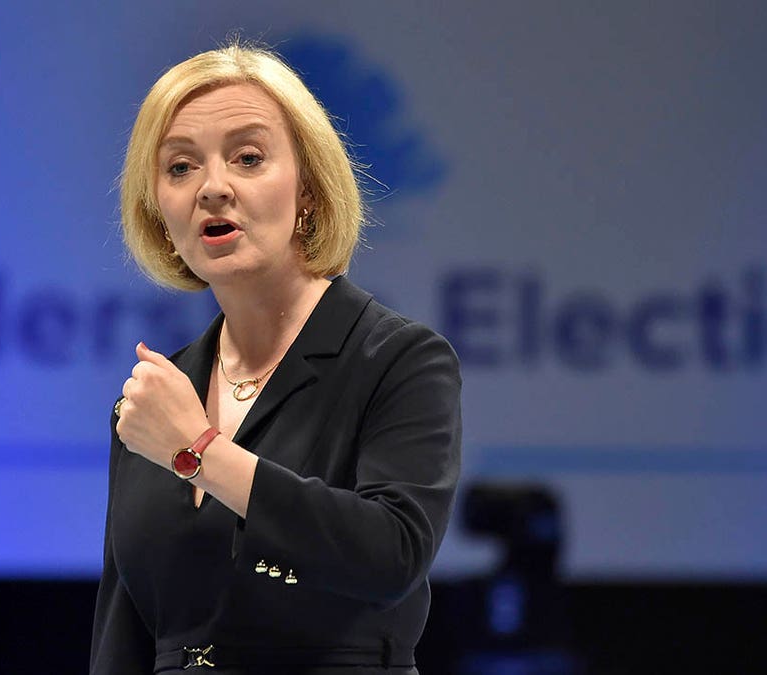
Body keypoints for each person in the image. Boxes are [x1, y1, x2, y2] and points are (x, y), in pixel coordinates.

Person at [91, 42, 462, 675]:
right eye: (180, 167)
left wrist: (201, 452)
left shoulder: (397, 360)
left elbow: (392, 556)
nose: (212, 187)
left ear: (310, 189)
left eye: (249, 157)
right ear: (158, 210)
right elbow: (123, 631)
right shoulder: (158, 397)